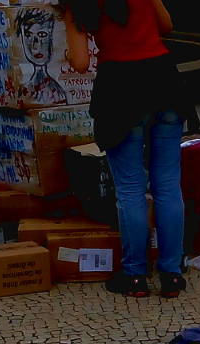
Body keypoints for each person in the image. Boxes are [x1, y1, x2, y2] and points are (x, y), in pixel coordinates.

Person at [65, 0, 189, 298]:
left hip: (119, 88)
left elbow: (80, 63)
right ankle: (171, 273)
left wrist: (69, 50)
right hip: (163, 79)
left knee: (130, 188)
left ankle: (135, 275)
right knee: (168, 185)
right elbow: (166, 25)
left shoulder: (76, 5)